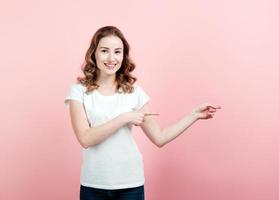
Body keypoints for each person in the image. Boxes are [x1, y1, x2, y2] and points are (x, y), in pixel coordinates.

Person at [64, 26, 221, 200]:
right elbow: (85, 139)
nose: (111, 58)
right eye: (104, 51)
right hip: (93, 185)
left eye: (117, 52)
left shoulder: (134, 92)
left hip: (130, 185)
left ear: (123, 56)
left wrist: (193, 115)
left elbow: (159, 138)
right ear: (94, 54)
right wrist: (125, 117)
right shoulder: (79, 91)